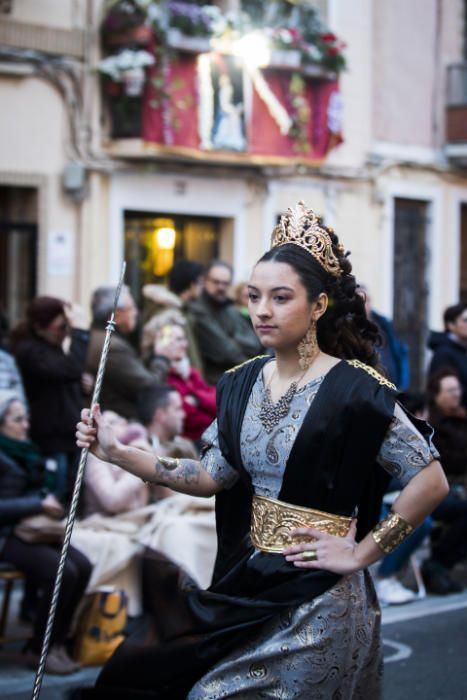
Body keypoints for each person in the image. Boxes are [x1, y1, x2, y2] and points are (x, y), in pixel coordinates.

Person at [76, 202, 448, 699]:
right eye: (253, 297)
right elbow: (210, 474)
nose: (262, 310)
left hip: (321, 598)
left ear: (318, 306)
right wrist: (118, 453)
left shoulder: (357, 390)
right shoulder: (239, 382)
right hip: (250, 584)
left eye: (280, 297)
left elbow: (431, 480)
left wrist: (362, 553)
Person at [0, 390, 92, 674]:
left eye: (25, 418)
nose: (25, 425)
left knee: (83, 565)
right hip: (6, 535)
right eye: (17, 419)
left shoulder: (27, 450)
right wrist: (38, 503)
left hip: (29, 530)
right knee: (62, 571)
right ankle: (40, 648)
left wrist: (49, 497)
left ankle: (57, 643)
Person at [10, 296, 89, 500]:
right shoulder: (30, 351)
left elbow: (65, 376)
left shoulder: (50, 348)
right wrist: (79, 333)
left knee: (71, 495)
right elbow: (69, 370)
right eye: (62, 327)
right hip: (51, 441)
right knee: (56, 498)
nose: (65, 333)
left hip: (67, 436)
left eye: (68, 328)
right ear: (40, 328)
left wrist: (81, 386)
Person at [86, 286, 164, 420]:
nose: (136, 313)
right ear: (117, 314)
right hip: (120, 421)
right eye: (131, 308)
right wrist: (163, 357)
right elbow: (149, 386)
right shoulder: (112, 346)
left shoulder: (96, 336)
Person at [189, 260, 263, 384]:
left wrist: (233, 340)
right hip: (214, 383)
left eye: (225, 283)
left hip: (235, 379)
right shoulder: (198, 310)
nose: (220, 287)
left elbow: (254, 344)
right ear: (205, 281)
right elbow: (224, 351)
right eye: (216, 282)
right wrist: (251, 364)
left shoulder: (229, 309)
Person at [145, 321, 216, 442]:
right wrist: (207, 408)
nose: (185, 344)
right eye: (178, 340)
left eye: (184, 339)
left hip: (208, 434)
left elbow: (217, 400)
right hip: (189, 441)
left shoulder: (189, 371)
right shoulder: (162, 375)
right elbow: (188, 418)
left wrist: (196, 398)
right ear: (162, 344)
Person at [142, 259, 205, 374]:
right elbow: (170, 357)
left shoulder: (181, 310)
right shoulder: (169, 316)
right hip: (178, 386)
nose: (203, 288)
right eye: (201, 283)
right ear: (192, 285)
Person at [361, 286, 409, 389]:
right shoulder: (348, 330)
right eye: (361, 300)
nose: (365, 304)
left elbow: (399, 353)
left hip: (392, 387)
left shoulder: (385, 325)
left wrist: (402, 384)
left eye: (368, 300)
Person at [428, 302, 467, 407]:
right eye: (465, 320)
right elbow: (443, 395)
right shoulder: (444, 353)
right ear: (451, 325)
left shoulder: (461, 350)